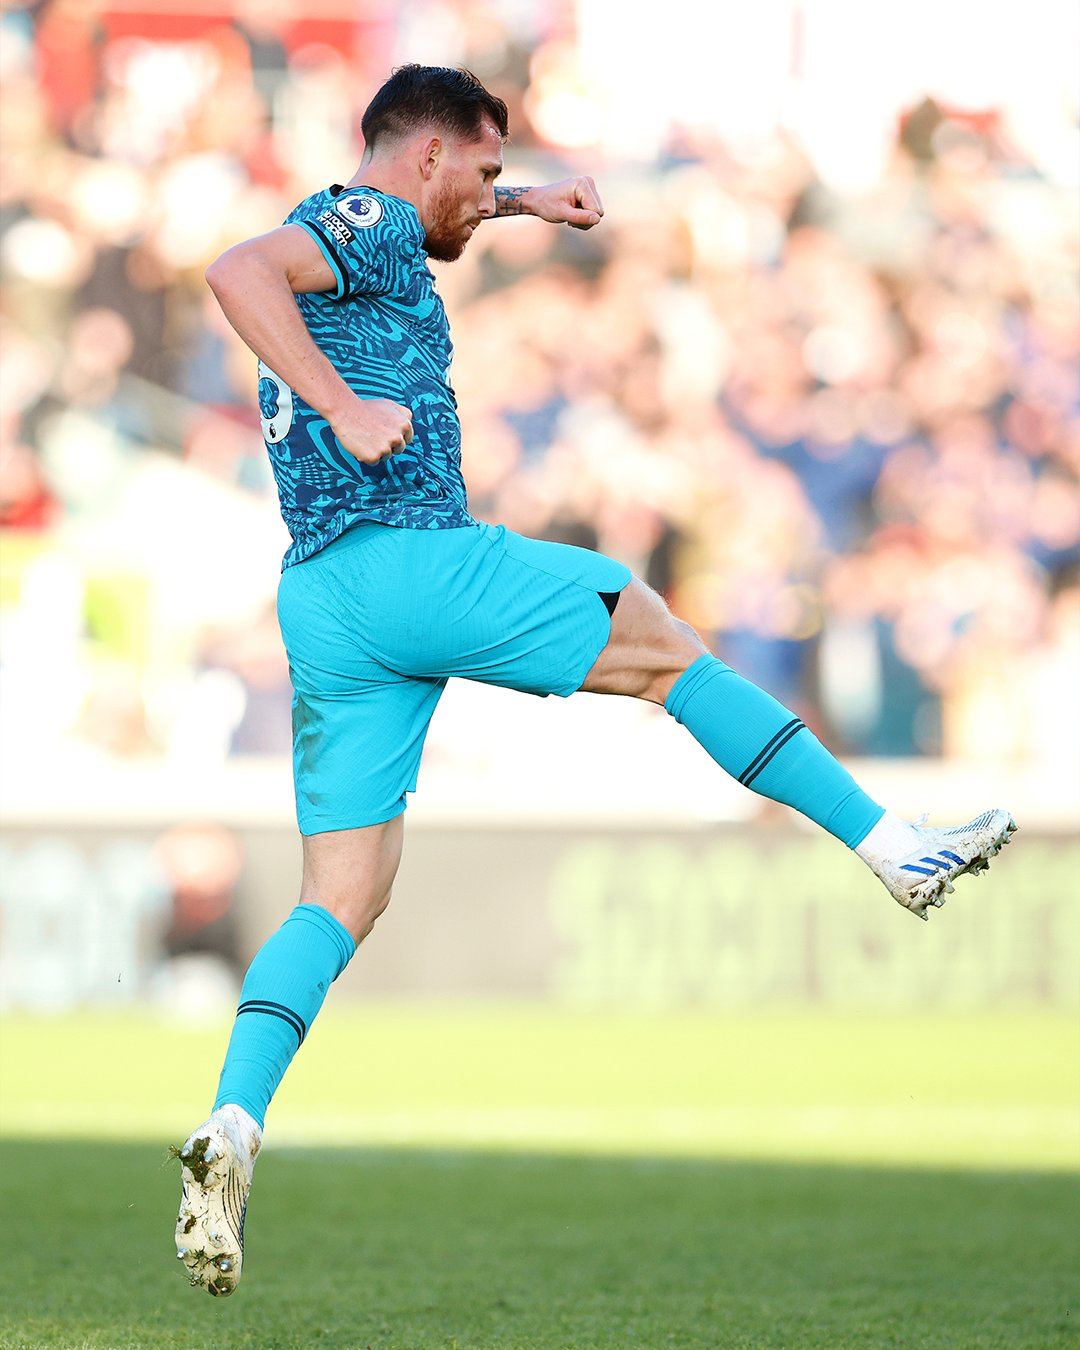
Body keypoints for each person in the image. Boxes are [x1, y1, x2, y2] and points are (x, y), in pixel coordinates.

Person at [174, 65, 1016, 1298]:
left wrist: (536, 207)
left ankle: (232, 1128)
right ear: (424, 161)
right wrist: (345, 405)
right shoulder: (356, 223)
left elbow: (404, 229)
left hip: (327, 603)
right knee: (663, 640)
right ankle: (895, 847)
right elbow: (238, 271)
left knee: (342, 895)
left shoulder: (388, 226)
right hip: (414, 563)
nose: (488, 197)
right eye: (485, 174)